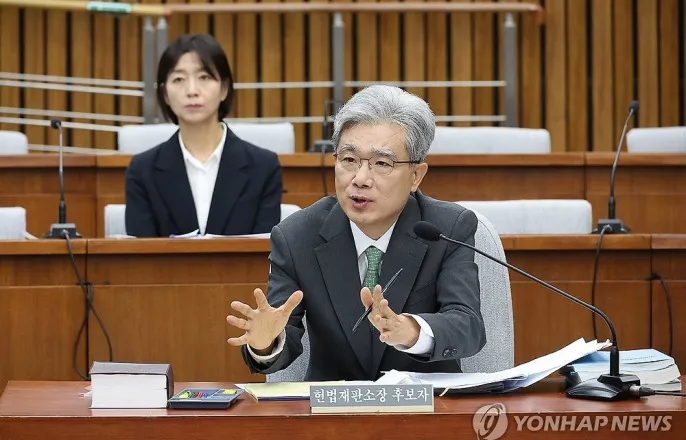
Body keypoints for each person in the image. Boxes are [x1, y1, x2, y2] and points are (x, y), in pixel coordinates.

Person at [226, 85, 486, 381]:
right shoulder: (297, 235)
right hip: (332, 405)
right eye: (349, 160)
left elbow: (468, 326)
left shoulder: (447, 229)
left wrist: (412, 331)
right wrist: (265, 343)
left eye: (382, 163)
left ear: (416, 175)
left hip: (426, 402)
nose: (360, 179)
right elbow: (282, 332)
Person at [124, 34, 282, 237]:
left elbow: (264, 250)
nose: (192, 91)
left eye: (204, 77)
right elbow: (140, 252)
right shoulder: (142, 171)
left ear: (224, 89)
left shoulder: (263, 167)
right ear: (165, 94)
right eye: (179, 79)